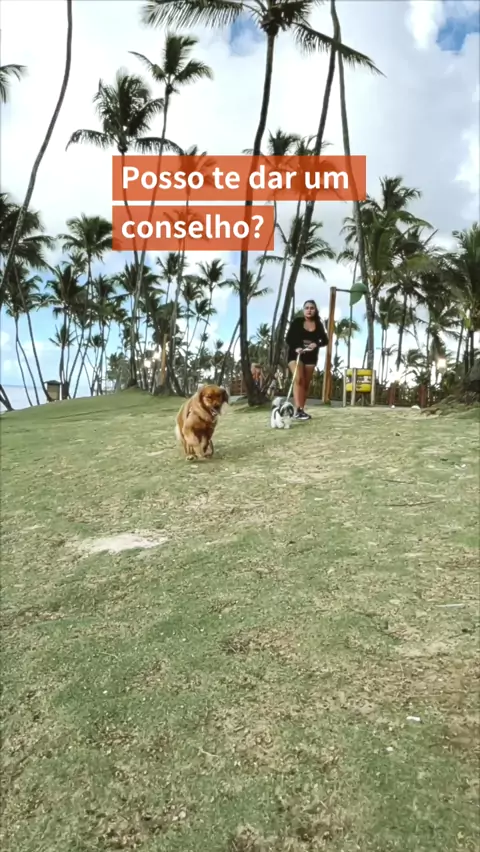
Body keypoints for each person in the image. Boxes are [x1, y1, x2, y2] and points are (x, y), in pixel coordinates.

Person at [285, 299, 328, 420]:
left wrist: (316, 344)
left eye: (312, 308)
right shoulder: (297, 322)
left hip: (311, 356)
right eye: (307, 308)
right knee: (298, 379)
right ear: (303, 310)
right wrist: (296, 347)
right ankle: (298, 409)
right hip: (296, 355)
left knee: (305, 384)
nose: (309, 310)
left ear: (315, 310)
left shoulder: (318, 324)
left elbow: (325, 340)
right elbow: (289, 338)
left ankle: (301, 410)